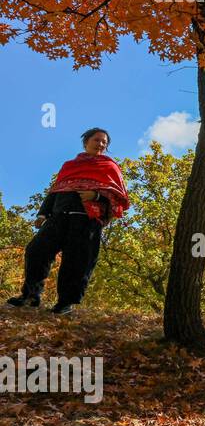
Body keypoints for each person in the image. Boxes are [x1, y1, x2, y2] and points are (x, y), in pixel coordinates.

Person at [7, 128, 130, 315]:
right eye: (97, 140)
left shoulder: (109, 166)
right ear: (86, 141)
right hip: (58, 217)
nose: (101, 144)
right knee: (36, 251)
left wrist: (96, 195)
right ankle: (31, 295)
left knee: (77, 261)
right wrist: (42, 213)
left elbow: (117, 196)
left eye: (105, 142)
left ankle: (65, 303)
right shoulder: (69, 166)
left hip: (86, 221)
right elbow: (55, 190)